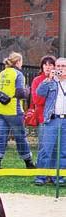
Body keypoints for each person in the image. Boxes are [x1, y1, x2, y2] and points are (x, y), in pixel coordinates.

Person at [0, 52, 35, 169]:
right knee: (20, 136)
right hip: (14, 110)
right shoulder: (18, 74)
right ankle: (28, 161)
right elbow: (20, 93)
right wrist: (27, 91)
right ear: (18, 62)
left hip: (0, 109)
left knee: (1, 136)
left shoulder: (2, 73)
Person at [35, 57, 66, 186]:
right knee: (46, 149)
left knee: (63, 151)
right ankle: (40, 177)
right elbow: (39, 92)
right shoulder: (51, 81)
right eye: (58, 66)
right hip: (52, 119)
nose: (60, 68)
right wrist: (49, 79)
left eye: (63, 66)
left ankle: (59, 177)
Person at [31, 55, 57, 186]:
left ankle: (53, 174)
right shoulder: (37, 80)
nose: (48, 67)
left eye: (51, 64)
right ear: (42, 66)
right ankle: (41, 175)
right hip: (43, 118)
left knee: (56, 149)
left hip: (57, 119)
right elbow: (37, 100)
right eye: (45, 64)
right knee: (44, 148)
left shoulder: (59, 80)